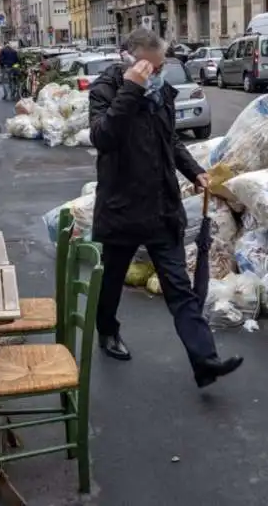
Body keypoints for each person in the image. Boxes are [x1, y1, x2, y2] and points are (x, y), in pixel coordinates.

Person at [88, 28, 243, 388]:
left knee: (179, 287)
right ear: (129, 57)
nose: (157, 74)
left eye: (161, 67)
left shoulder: (161, 93)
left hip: (161, 207)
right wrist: (131, 88)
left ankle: (205, 360)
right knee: (111, 281)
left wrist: (195, 171)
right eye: (152, 67)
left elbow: (169, 139)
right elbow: (103, 136)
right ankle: (107, 332)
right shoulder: (107, 88)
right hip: (122, 207)